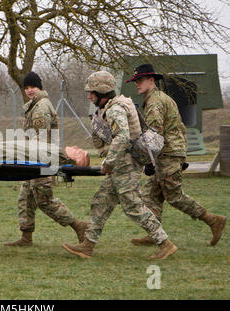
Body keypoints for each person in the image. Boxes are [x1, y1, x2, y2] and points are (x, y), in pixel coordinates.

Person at [62, 70, 177, 260]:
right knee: (101, 202)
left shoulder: (115, 109)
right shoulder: (115, 105)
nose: (89, 96)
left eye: (91, 92)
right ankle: (87, 246)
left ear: (102, 91)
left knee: (133, 206)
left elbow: (122, 137)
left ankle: (164, 243)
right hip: (121, 165)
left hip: (125, 165)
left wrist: (109, 162)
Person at [126, 64, 227, 246]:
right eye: (135, 81)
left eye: (140, 80)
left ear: (151, 80)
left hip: (167, 154)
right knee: (151, 194)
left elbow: (155, 132)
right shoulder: (159, 98)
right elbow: (179, 127)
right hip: (169, 152)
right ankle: (154, 234)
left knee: (174, 196)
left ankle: (213, 220)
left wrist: (150, 159)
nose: (137, 84)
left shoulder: (155, 101)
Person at [4, 71, 87, 246]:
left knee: (44, 200)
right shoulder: (34, 105)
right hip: (33, 160)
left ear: (39, 87)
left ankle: (79, 226)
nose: (29, 90)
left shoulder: (41, 107)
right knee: (25, 198)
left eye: (33, 86)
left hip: (41, 161)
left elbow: (40, 138)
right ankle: (26, 237)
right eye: (26, 87)